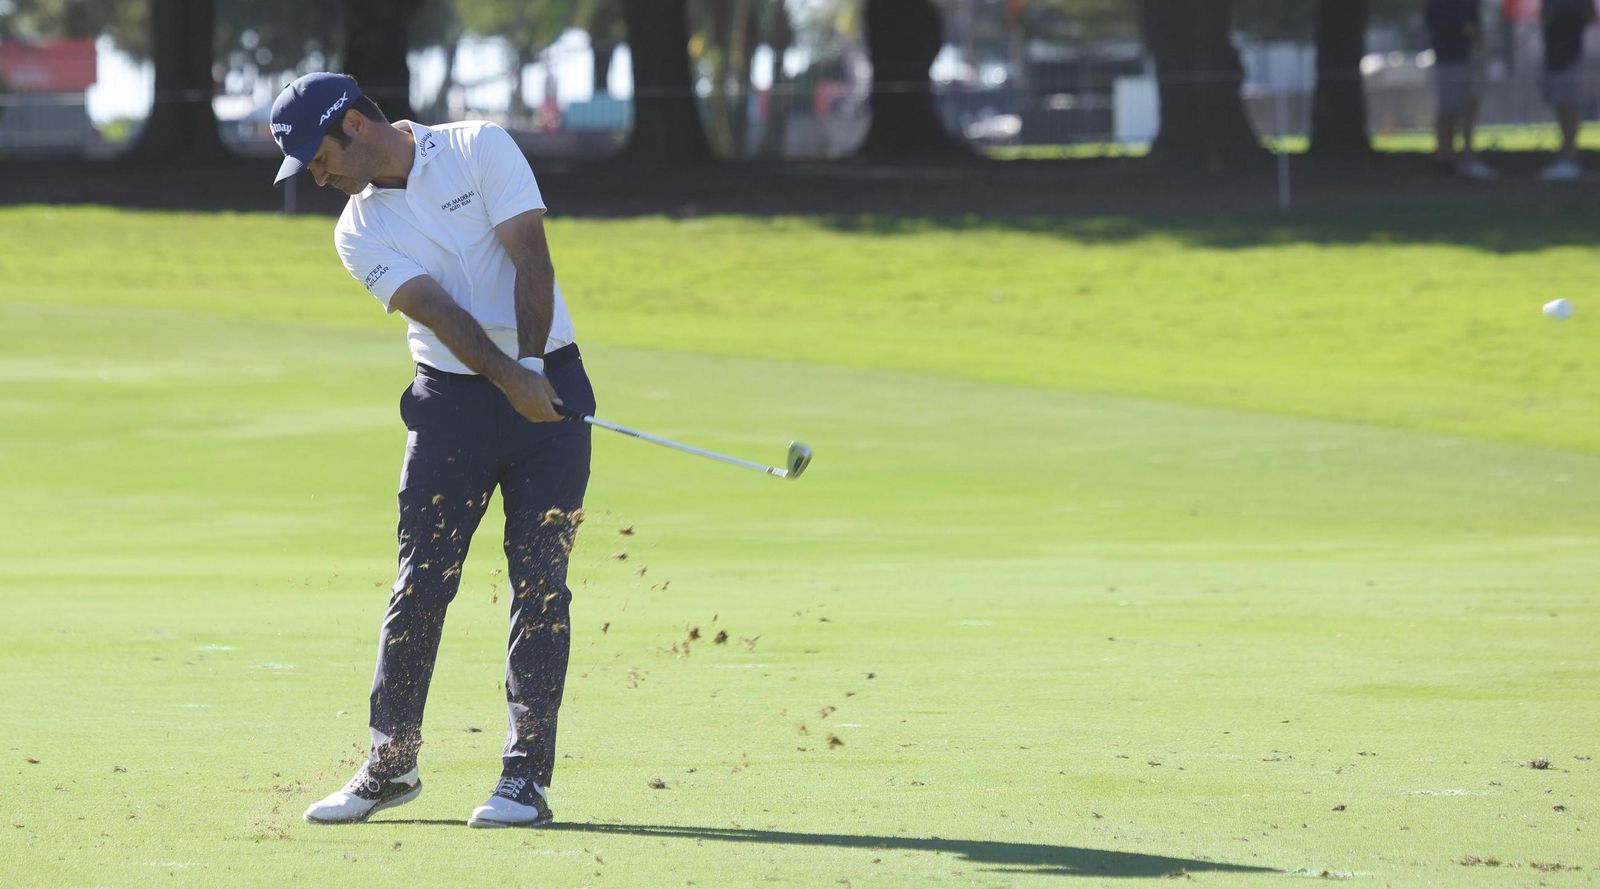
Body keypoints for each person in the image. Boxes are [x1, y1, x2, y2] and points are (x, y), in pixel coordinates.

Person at [268, 72, 595, 828]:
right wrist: (507, 377)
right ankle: (391, 764)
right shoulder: (356, 229)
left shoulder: (478, 146)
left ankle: (524, 779)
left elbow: (531, 259)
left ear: (352, 123)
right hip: (451, 403)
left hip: (552, 378)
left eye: (316, 156)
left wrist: (534, 372)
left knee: (541, 580)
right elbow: (438, 310)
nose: (316, 177)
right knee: (423, 581)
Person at [1427, 0, 1498, 179]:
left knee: (1469, 106)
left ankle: (1467, 156)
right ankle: (1445, 156)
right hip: (1449, 58)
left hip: (1470, 57)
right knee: (1448, 109)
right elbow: (1444, 24)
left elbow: (1476, 27)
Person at [1538, 0, 1595, 181]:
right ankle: (1566, 155)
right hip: (1553, 56)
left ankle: (1569, 157)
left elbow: (1590, 16)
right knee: (1561, 106)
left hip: (1571, 55)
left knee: (1570, 106)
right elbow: (1544, 17)